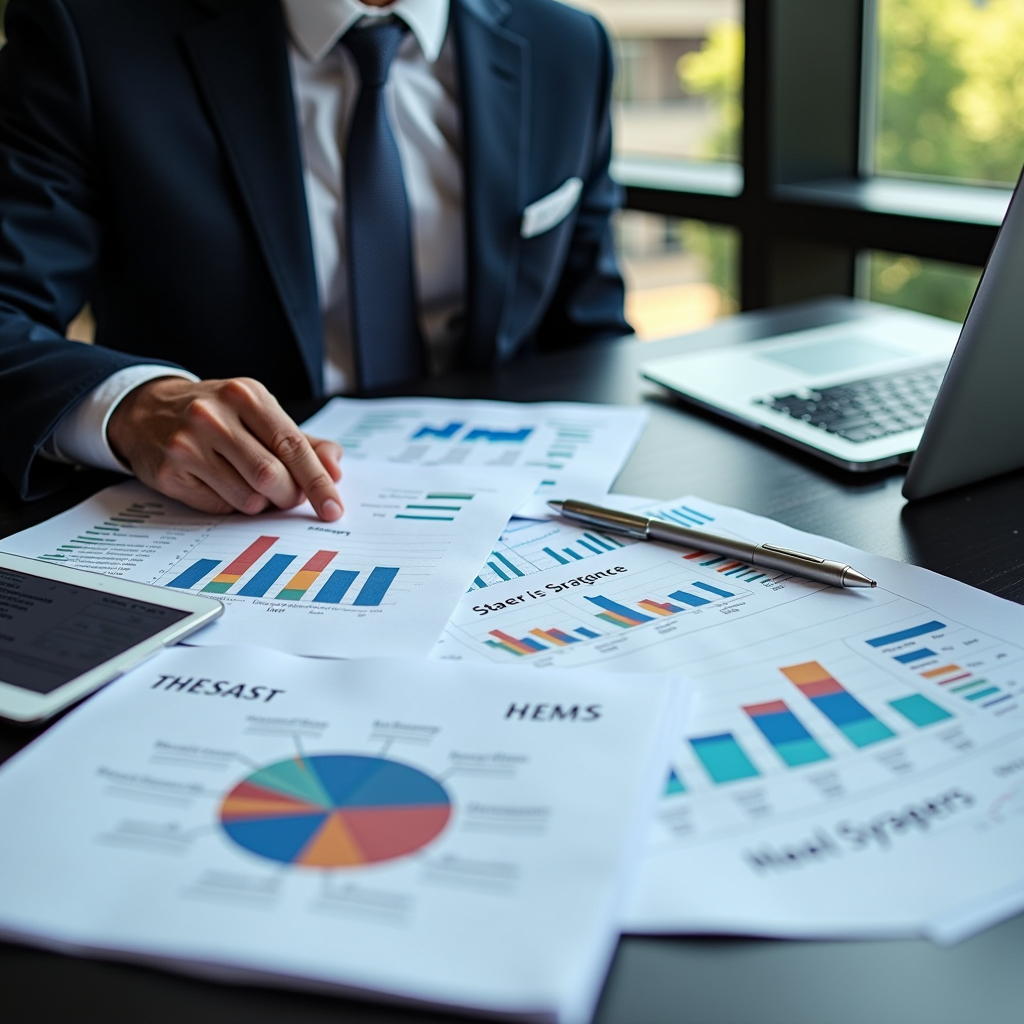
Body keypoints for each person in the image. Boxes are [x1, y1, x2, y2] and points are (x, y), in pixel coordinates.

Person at [0, 0, 631, 520]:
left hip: (510, 519)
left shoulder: (568, 48)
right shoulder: (89, 33)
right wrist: (133, 408)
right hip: (224, 519)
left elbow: (591, 332)